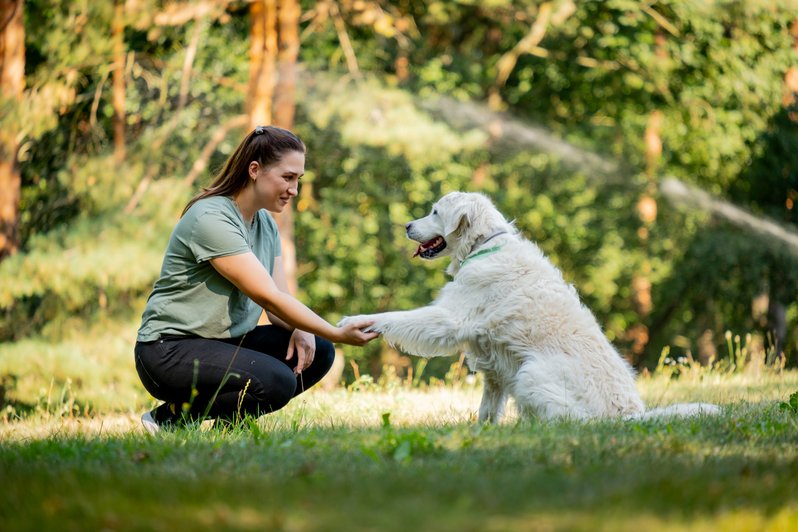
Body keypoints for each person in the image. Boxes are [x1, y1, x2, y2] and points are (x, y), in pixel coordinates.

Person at [134, 125, 378, 433]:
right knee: (277, 380)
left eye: (298, 180)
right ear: (254, 170)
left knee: (318, 352)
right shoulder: (211, 218)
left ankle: (229, 429)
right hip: (168, 351)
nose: (294, 189)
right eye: (287, 177)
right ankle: (169, 419)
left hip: (224, 343)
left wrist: (305, 329)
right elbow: (267, 297)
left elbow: (279, 305)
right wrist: (337, 331)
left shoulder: (265, 223)